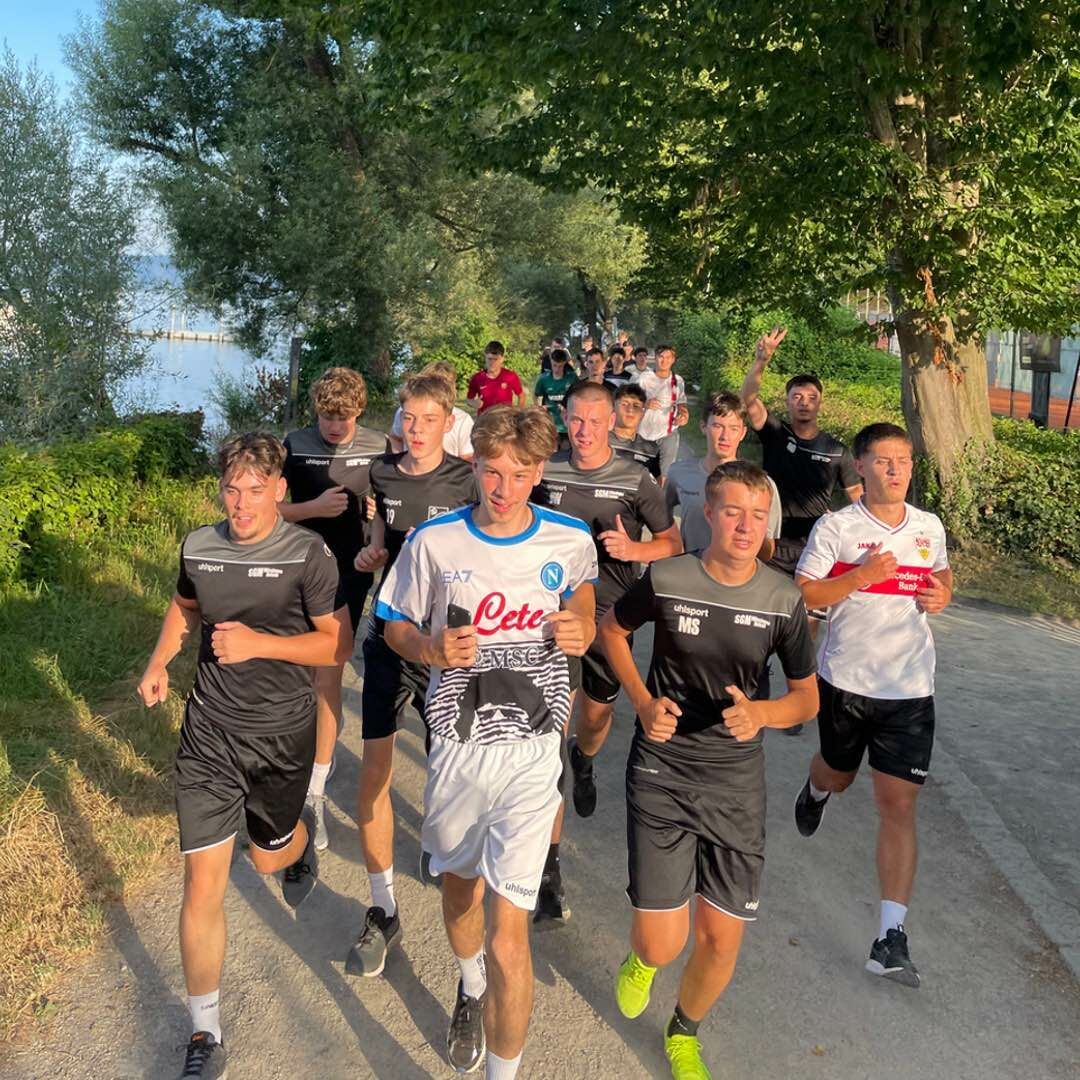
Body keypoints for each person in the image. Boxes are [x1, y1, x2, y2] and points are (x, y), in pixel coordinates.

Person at [377, 406, 598, 1079]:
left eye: (520, 475)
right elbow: (393, 624)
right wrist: (430, 648)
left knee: (510, 937)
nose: (503, 488)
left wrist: (583, 629)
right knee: (460, 896)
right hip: (458, 750)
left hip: (533, 756)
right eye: (492, 472)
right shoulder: (434, 542)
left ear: (540, 472)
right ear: (473, 464)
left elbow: (586, 605)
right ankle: (469, 985)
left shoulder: (569, 538)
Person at [138, 433, 352, 1080]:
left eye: (255, 490)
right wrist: (159, 662)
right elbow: (185, 608)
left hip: (280, 736)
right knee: (201, 882)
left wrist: (260, 643)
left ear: (279, 491)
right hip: (209, 733)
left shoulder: (307, 554)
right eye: (231, 489)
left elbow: (336, 647)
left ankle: (296, 837)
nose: (241, 503)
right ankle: (205, 1033)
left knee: (266, 859)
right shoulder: (199, 546)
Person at [597, 460, 818, 1080]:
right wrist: (642, 702)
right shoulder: (669, 577)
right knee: (662, 942)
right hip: (663, 768)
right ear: (708, 515)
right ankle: (642, 962)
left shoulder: (783, 598)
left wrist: (762, 714)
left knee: (722, 937)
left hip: (734, 781)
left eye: (758, 515)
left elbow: (806, 697)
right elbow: (611, 631)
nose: (746, 527)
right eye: (733, 512)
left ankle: (684, 1031)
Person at [792, 423, 951, 989]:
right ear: (859, 466)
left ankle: (890, 938)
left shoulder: (928, 526)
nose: (896, 470)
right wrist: (861, 575)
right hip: (847, 683)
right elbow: (804, 593)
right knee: (838, 774)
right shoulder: (838, 527)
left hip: (910, 689)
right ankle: (815, 790)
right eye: (883, 461)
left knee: (898, 804)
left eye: (903, 460)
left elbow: (940, 575)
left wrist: (942, 593)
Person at [533, 380, 682, 924]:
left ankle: (587, 758)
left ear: (613, 419)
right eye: (576, 420)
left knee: (594, 721)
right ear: (564, 417)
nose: (585, 431)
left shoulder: (633, 477)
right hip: (553, 618)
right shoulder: (544, 470)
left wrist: (634, 548)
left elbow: (673, 544)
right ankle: (548, 869)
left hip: (611, 619)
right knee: (550, 739)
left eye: (596, 421)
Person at [346, 374, 477, 978]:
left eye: (429, 419)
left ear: (449, 422)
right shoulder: (383, 473)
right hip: (390, 633)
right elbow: (379, 542)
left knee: (445, 768)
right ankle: (383, 909)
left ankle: (439, 843)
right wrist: (369, 553)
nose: (417, 429)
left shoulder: (468, 480)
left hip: (444, 646)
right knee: (373, 772)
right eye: (409, 418)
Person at [281, 367, 387, 851]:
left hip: (349, 572)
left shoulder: (379, 446)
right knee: (299, 675)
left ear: (359, 412)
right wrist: (311, 509)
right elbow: (269, 510)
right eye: (327, 417)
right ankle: (312, 755)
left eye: (343, 418)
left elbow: (394, 506)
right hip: (298, 570)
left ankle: (314, 790)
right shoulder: (295, 444)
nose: (334, 427)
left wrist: (378, 516)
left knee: (328, 673)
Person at [741, 327, 863, 734]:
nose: (804, 402)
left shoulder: (837, 450)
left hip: (815, 549)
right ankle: (756, 692)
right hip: (770, 543)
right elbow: (749, 399)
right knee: (760, 618)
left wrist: (849, 539)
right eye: (797, 396)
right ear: (789, 401)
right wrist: (762, 359)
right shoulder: (777, 434)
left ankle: (798, 701)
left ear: (820, 402)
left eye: (811, 397)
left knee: (804, 628)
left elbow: (858, 501)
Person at [666, 391, 781, 558]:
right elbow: (660, 522)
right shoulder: (679, 473)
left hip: (736, 571)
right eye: (717, 426)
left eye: (734, 428)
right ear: (703, 427)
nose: (725, 436)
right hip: (692, 568)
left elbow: (767, 551)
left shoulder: (763, 485)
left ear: (742, 433)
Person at [390, 361, 474, 460]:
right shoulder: (405, 411)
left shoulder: (463, 420)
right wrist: (399, 460)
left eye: (430, 420)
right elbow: (395, 437)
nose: (416, 428)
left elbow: (468, 457)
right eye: (432, 382)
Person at [631, 343, 690, 477]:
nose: (664, 361)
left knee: (665, 474)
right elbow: (630, 401)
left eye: (668, 357)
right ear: (655, 358)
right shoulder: (643, 378)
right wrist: (645, 403)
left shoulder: (678, 381)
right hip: (643, 433)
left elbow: (681, 403)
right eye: (661, 357)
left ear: (673, 360)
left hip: (668, 433)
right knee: (641, 474)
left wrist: (684, 415)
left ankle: (662, 489)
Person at [610, 383, 661, 478]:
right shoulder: (597, 442)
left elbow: (657, 484)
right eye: (624, 404)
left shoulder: (652, 450)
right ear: (612, 409)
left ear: (642, 413)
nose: (630, 410)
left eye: (636, 406)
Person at [533, 347, 578, 451]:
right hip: (551, 423)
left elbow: (579, 394)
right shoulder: (544, 379)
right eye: (554, 365)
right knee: (551, 452)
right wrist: (539, 408)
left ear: (564, 364)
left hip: (567, 424)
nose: (557, 369)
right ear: (551, 362)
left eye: (560, 366)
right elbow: (536, 395)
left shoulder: (572, 377)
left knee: (566, 452)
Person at [467, 341, 526, 413]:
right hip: (485, 418)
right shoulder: (477, 378)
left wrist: (518, 413)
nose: (492, 363)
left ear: (502, 359)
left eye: (495, 359)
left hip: (505, 418)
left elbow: (521, 395)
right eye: (490, 359)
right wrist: (474, 403)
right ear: (485, 357)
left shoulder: (510, 376)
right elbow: (469, 399)